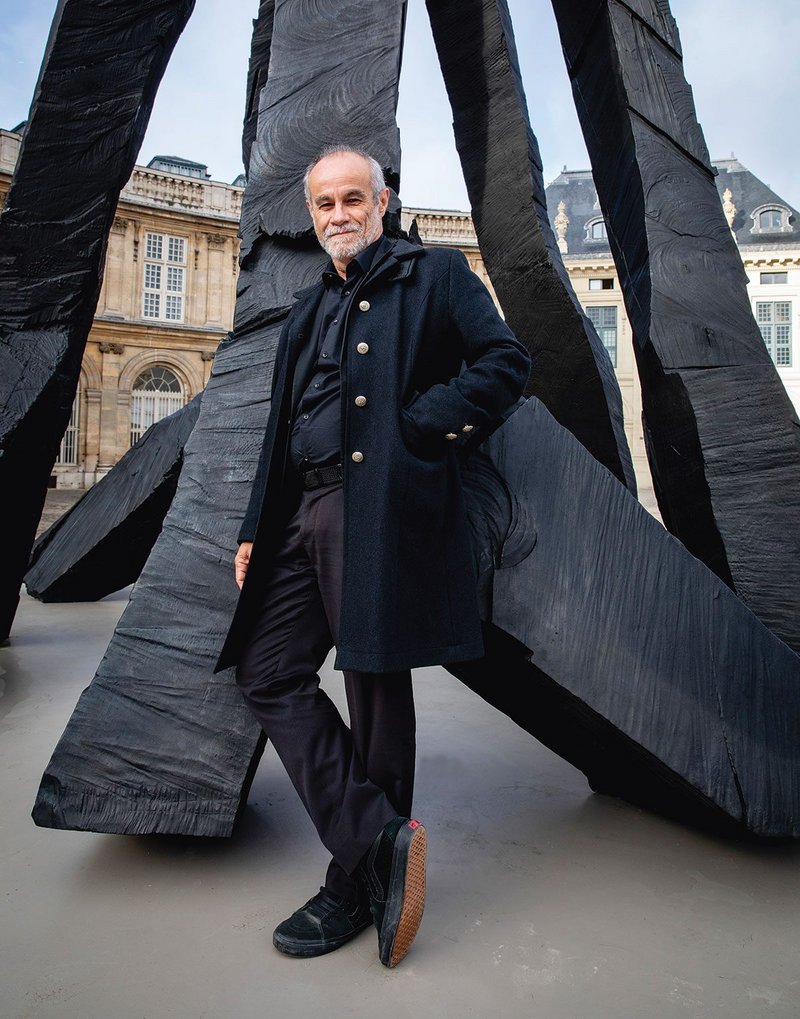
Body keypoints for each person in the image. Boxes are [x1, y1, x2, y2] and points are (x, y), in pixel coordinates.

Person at [216, 145, 530, 967]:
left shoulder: (437, 276)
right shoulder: (307, 307)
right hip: (298, 509)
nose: (338, 214)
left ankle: (353, 881)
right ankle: (380, 839)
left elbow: (506, 363)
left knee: (374, 688)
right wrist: (254, 525)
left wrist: (421, 428)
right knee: (265, 668)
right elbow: (279, 432)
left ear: (382, 201)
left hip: (375, 506)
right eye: (325, 204)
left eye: (353, 198)